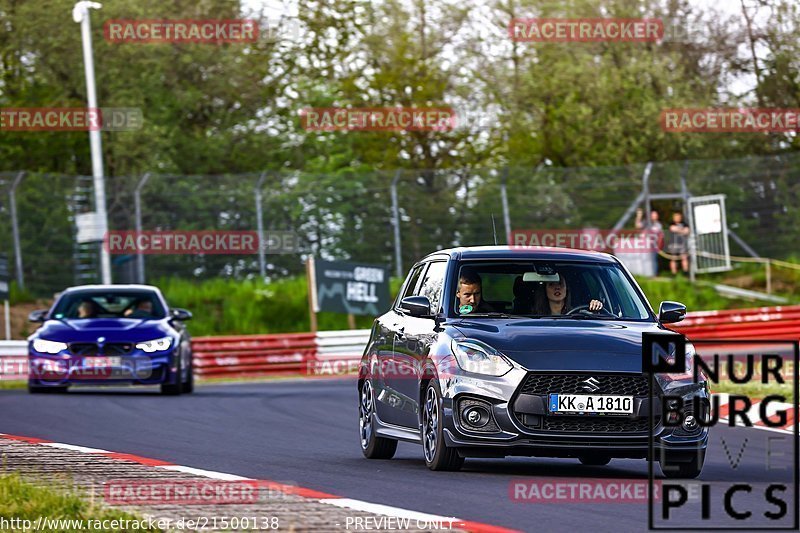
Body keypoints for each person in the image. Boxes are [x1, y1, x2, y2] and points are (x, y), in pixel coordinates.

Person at [533, 272, 603, 315]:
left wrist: (595, 309)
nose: (557, 287)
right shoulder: (534, 318)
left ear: (567, 288)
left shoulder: (579, 315)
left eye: (560, 283)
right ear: (545, 290)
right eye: (551, 284)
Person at [635, 208, 663, 275]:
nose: (654, 217)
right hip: (644, 245)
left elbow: (660, 236)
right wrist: (639, 216)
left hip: (653, 246)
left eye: (655, 215)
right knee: (644, 259)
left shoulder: (658, 225)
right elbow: (637, 225)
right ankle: (644, 274)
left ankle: (653, 274)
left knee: (653, 260)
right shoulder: (646, 222)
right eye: (653, 215)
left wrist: (659, 246)